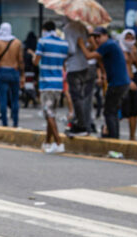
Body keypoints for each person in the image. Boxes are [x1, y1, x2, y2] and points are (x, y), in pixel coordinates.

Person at [78, 27, 130, 139]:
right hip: (121, 83)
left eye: (99, 36)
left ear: (106, 35)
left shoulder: (108, 45)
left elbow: (89, 56)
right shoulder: (110, 45)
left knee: (109, 112)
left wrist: (81, 44)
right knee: (113, 111)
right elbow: (100, 59)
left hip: (117, 83)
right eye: (95, 37)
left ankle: (112, 137)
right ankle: (114, 137)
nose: (97, 39)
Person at [32, 21, 68, 154]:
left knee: (49, 114)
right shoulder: (64, 43)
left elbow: (36, 61)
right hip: (58, 83)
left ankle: (59, 143)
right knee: (51, 114)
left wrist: (34, 59)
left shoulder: (43, 41)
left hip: (47, 83)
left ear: (44, 29)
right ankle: (48, 142)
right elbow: (63, 62)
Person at [0, 22, 23, 128]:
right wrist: (23, 76)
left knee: (2, 98)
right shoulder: (17, 43)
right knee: (15, 99)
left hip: (2, 71)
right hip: (14, 71)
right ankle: (15, 123)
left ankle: (4, 123)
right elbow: (20, 60)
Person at [64, 19, 94, 136]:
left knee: (76, 97)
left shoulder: (68, 28)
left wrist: (64, 54)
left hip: (74, 66)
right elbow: (86, 45)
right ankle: (85, 125)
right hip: (84, 66)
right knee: (83, 97)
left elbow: (71, 49)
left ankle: (81, 126)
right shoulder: (83, 26)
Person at [120, 29, 137, 141]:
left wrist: (135, 54)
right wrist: (128, 82)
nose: (129, 40)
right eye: (127, 38)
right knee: (121, 110)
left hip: (134, 81)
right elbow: (120, 67)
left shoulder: (133, 50)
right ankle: (107, 129)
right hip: (123, 82)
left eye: (131, 38)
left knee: (134, 111)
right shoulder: (120, 50)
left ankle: (132, 136)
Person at [22, 31, 39, 109]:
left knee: (27, 87)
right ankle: (31, 101)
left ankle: (30, 101)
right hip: (33, 70)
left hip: (26, 70)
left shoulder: (26, 48)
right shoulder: (36, 47)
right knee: (30, 86)